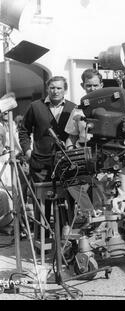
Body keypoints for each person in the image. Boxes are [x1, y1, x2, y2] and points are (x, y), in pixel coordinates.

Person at [19, 76, 76, 232]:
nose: (55, 91)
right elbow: (24, 130)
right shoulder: (35, 106)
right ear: (47, 89)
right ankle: (41, 241)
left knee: (67, 203)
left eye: (59, 88)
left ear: (65, 89)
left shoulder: (73, 108)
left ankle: (66, 243)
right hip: (40, 163)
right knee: (42, 204)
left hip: (65, 163)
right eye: (52, 88)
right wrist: (28, 151)